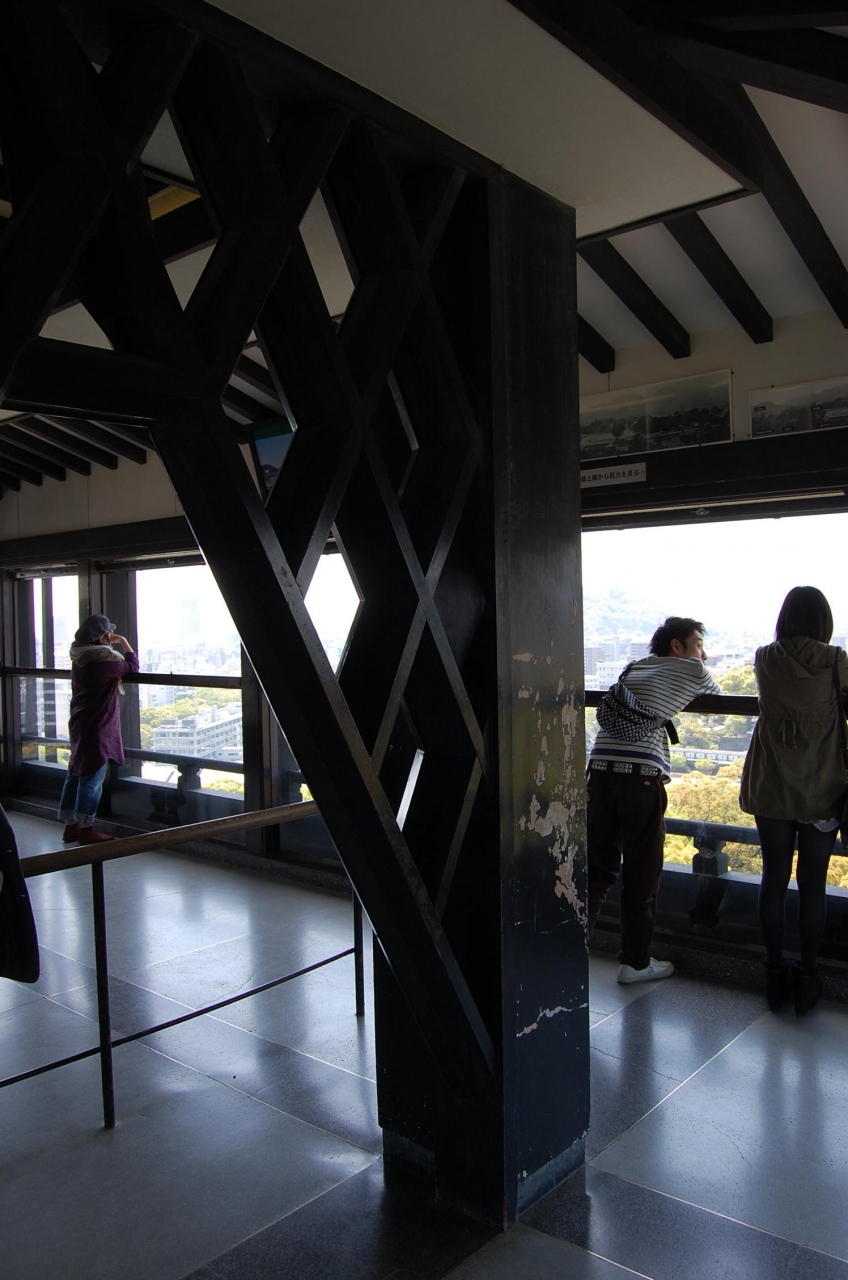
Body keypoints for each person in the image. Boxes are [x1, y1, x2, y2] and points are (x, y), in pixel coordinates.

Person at [587, 616, 721, 984]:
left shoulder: (636, 666)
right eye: (698, 645)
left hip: (599, 769)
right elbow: (715, 695)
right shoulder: (691, 669)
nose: (703, 655)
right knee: (642, 871)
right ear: (677, 646)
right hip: (640, 776)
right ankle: (635, 962)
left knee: (597, 870)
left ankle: (568, 951)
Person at [740, 586, 848, 1016]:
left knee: (774, 877)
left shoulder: (764, 659)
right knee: (813, 883)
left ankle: (773, 973)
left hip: (772, 785)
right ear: (824, 622)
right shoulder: (836, 661)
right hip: (822, 787)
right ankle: (807, 977)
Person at [57, 614, 138, 845]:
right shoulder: (103, 661)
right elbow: (132, 666)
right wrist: (123, 641)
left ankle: (70, 826)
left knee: (75, 773)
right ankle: (87, 828)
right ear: (103, 637)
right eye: (108, 633)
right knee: (92, 778)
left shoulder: (80, 658)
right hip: (98, 725)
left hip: (79, 721)